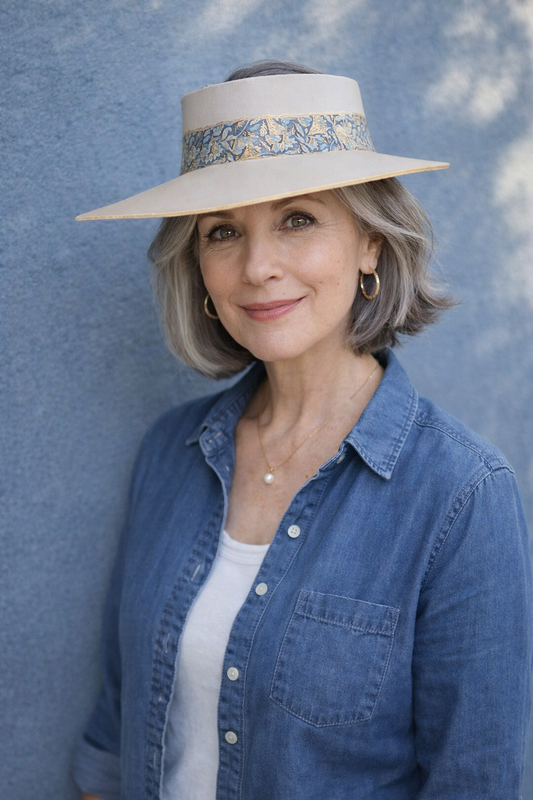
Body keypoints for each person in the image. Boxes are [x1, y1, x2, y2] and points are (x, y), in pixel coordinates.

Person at [72, 60, 533, 800]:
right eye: (223, 231)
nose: (257, 267)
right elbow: (112, 736)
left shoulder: (460, 496)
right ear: (199, 268)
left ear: (370, 244)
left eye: (297, 218)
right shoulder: (169, 452)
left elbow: (473, 782)